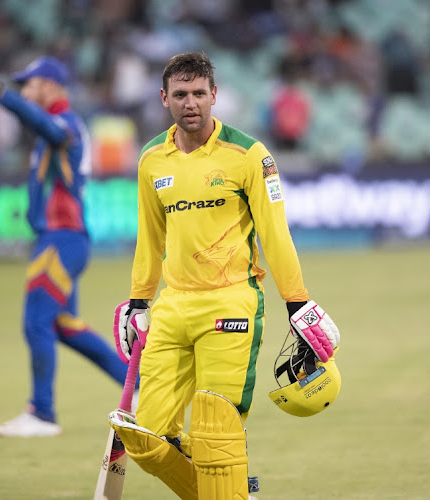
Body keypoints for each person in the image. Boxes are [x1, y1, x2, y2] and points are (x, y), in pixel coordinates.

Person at [107, 52, 340, 500]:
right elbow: (150, 237)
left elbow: (275, 234)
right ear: (164, 98)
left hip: (232, 301)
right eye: (180, 95)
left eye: (199, 93)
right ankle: (234, 491)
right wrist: (138, 300)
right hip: (172, 307)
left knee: (215, 432)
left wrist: (298, 302)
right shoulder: (152, 160)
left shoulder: (250, 156)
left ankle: (227, 484)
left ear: (214, 95)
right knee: (147, 441)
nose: (190, 103)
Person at [0, 56, 129, 438]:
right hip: (62, 240)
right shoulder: (58, 127)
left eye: (29, 84)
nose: (25, 90)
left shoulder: (64, 124)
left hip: (61, 239)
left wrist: (0, 93)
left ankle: (42, 413)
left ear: (51, 87)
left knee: (36, 320)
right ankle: (136, 388)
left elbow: (46, 127)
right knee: (62, 326)